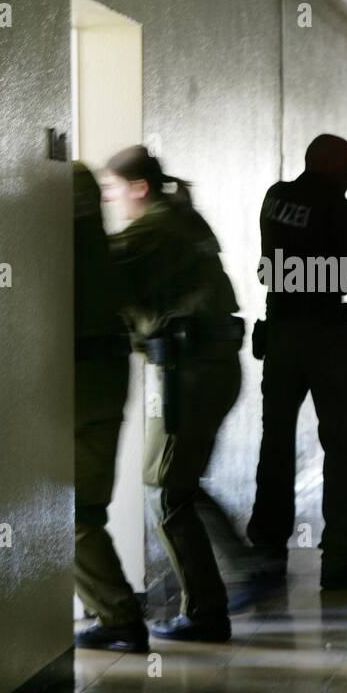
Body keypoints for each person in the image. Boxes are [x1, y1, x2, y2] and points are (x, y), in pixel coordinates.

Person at [239, 134, 347, 600]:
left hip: (282, 337)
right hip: (328, 341)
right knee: (343, 445)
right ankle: (338, 556)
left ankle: (268, 548)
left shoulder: (276, 197)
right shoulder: (334, 208)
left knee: (276, 442)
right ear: (329, 163)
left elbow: (318, 225)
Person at [101, 145, 245, 642]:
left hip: (190, 371)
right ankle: (247, 570)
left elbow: (99, 271)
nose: (110, 201)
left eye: (112, 190)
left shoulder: (156, 226)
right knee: (180, 481)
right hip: (210, 367)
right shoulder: (183, 217)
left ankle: (207, 613)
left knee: (166, 487)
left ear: (139, 188)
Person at [72, 161, 150, 653]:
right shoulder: (105, 250)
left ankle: (118, 613)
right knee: (85, 507)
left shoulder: (51, 256)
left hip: (77, 387)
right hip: (107, 383)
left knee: (74, 513)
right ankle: (114, 610)